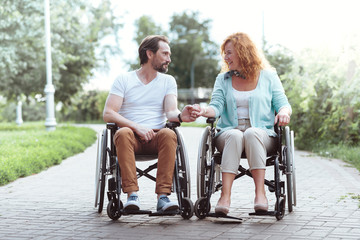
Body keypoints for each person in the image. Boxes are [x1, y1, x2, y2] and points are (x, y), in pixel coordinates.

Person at [192, 32, 292, 215]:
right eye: (225, 53)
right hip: (229, 133)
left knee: (252, 133)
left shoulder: (268, 77)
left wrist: (284, 113)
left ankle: (260, 194)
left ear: (243, 52)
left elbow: (283, 104)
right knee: (236, 134)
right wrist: (203, 110)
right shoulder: (223, 79)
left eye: (229, 52)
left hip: (262, 134)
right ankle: (225, 196)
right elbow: (216, 106)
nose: (225, 57)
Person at [103, 35, 197, 213]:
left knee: (170, 134)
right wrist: (136, 126)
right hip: (129, 137)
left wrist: (181, 116)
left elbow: (171, 112)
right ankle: (132, 196)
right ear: (149, 54)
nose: (169, 59)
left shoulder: (168, 81)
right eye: (165, 54)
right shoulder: (124, 79)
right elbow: (108, 113)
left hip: (156, 136)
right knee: (122, 133)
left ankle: (163, 197)